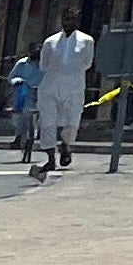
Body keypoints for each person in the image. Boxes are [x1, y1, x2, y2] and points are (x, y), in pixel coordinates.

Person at [31, 17, 97, 174]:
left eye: (72, 20)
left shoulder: (87, 40)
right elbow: (43, 65)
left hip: (74, 87)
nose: (68, 23)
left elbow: (87, 63)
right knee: (48, 122)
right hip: (50, 87)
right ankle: (51, 159)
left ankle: (66, 145)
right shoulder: (50, 41)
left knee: (72, 120)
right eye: (66, 19)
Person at [5, 49, 39, 172]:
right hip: (27, 92)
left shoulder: (48, 64)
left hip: (42, 92)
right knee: (21, 115)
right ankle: (20, 136)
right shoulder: (22, 64)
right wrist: (18, 81)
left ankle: (35, 138)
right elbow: (11, 77)